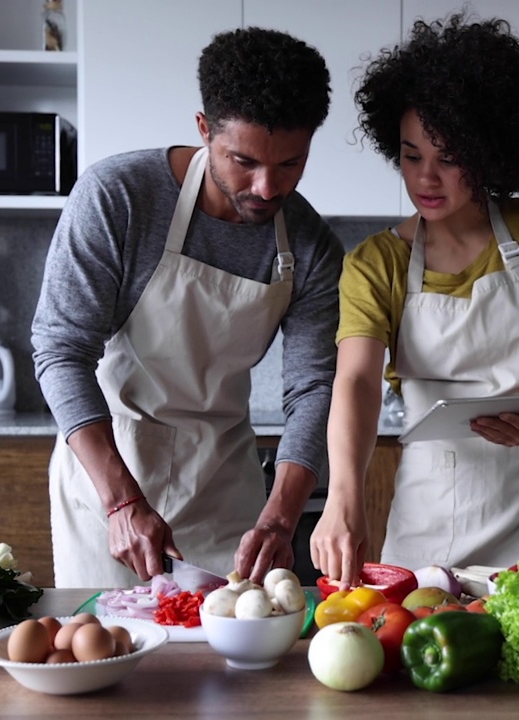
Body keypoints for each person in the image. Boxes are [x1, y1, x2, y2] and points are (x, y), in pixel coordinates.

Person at [32, 27, 344, 588]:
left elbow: (313, 389)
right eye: (243, 161)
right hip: (110, 474)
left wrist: (280, 518)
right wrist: (122, 503)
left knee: (231, 665)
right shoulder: (119, 197)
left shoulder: (310, 244)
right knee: (111, 653)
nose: (267, 187)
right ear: (204, 130)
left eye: (291, 164)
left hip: (225, 486)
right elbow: (60, 351)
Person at [311, 14, 519, 587]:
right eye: (410, 156)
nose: (426, 178)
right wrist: (341, 498)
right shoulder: (377, 262)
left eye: (448, 158)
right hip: (438, 517)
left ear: (488, 153)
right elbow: (354, 381)